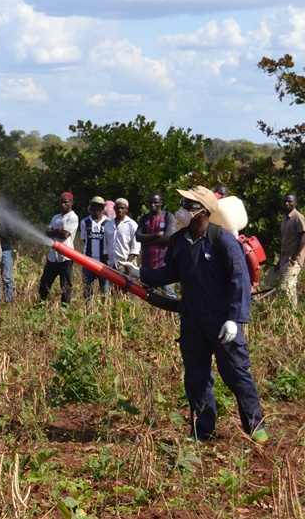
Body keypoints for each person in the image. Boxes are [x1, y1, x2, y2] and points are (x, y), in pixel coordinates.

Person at [121, 186, 267, 443]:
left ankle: (257, 429)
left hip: (222, 322)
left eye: (186, 204)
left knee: (236, 373)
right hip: (192, 320)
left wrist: (235, 319)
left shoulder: (223, 241)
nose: (180, 209)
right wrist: (139, 273)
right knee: (197, 377)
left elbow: (239, 282)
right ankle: (203, 432)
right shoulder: (179, 240)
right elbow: (170, 273)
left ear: (201, 211)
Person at [262, 193, 305, 305]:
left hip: (293, 260)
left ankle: (293, 316)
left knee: (286, 288)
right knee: (274, 286)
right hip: (284, 259)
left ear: (295, 203)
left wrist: (295, 256)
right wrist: (279, 262)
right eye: (285, 201)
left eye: (290, 201)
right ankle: (284, 314)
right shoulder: (285, 220)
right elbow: (285, 243)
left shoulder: (297, 217)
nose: (287, 203)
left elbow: (303, 236)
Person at [38, 191, 79, 304]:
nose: (62, 204)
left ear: (71, 203)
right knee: (44, 283)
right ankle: (41, 304)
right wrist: (57, 231)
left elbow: (65, 235)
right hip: (53, 257)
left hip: (65, 257)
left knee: (66, 285)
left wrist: (54, 232)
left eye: (65, 202)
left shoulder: (73, 218)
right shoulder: (55, 217)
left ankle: (64, 309)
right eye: (61, 202)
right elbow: (46, 233)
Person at [137, 192, 177, 299]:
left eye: (156, 202)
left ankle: (176, 315)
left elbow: (168, 237)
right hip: (147, 265)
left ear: (161, 203)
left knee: (169, 296)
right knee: (149, 297)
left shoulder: (168, 216)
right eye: (150, 202)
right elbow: (138, 237)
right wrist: (156, 235)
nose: (153, 205)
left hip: (162, 265)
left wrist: (147, 242)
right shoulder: (144, 219)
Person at [78, 196, 115, 297]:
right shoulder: (85, 222)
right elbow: (84, 239)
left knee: (105, 290)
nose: (96, 209)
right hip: (88, 261)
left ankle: (104, 311)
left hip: (104, 262)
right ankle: (88, 310)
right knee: (87, 290)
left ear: (103, 208)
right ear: (90, 207)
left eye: (99, 207)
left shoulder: (109, 222)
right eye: (94, 206)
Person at [110, 197, 141, 294]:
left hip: (127, 265)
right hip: (112, 265)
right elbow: (106, 247)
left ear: (127, 209)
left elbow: (135, 248)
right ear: (114, 208)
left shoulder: (132, 225)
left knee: (130, 292)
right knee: (114, 293)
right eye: (118, 208)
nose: (120, 210)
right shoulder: (108, 225)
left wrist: (126, 264)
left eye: (123, 208)